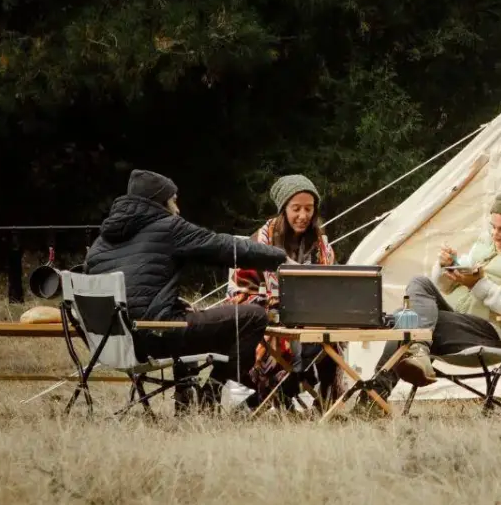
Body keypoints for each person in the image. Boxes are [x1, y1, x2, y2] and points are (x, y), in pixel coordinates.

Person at [85, 169, 286, 393]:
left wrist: (174, 303)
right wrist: (280, 257)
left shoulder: (99, 243)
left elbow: (135, 292)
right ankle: (211, 393)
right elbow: (223, 246)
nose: (177, 210)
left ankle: (186, 400)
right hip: (155, 336)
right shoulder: (169, 227)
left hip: (110, 343)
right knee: (253, 316)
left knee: (186, 318)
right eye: (173, 201)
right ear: (159, 202)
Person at [385, 189, 501, 390]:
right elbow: (445, 286)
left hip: (495, 333)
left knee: (405, 319)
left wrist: (478, 285)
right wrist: (447, 265)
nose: (495, 235)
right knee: (419, 283)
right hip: (463, 321)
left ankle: (374, 395)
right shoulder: (487, 244)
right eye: (493, 227)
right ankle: (418, 352)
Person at [229, 173, 336, 399]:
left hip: (310, 317)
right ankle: (280, 391)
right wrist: (275, 305)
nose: (303, 215)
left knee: (334, 333)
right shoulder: (259, 243)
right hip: (268, 317)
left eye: (309, 209)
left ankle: (327, 399)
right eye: (296, 208)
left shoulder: (321, 244)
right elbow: (239, 293)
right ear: (284, 209)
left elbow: (328, 283)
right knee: (278, 336)